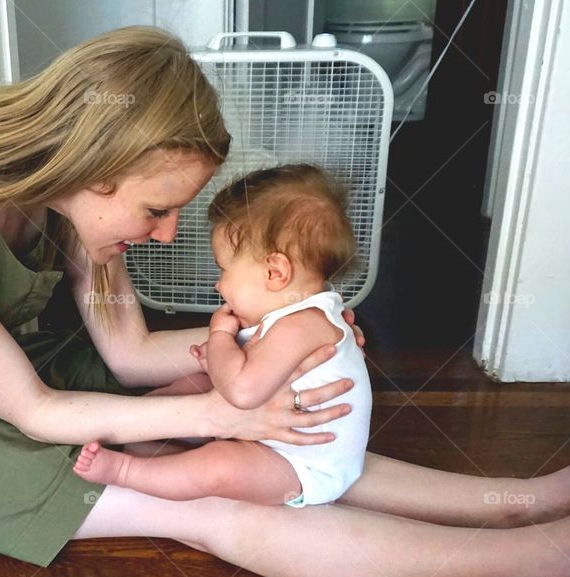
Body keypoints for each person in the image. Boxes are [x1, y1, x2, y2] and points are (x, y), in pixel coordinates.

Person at [0, 26, 570, 577]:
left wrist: (285, 336)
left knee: (287, 442)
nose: (167, 233)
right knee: (208, 498)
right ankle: (539, 560)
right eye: (158, 209)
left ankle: (520, 504)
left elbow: (129, 352)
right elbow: (35, 411)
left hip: (30, 369)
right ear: (96, 166)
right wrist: (221, 410)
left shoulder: (62, 188)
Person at [73, 164, 372, 508]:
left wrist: (219, 338)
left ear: (274, 273)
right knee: (194, 385)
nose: (218, 285)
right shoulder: (299, 315)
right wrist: (219, 361)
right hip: (268, 434)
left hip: (301, 466)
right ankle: (143, 432)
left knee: (220, 466)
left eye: (224, 269)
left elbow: (242, 392)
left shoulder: (299, 326)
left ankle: (126, 471)